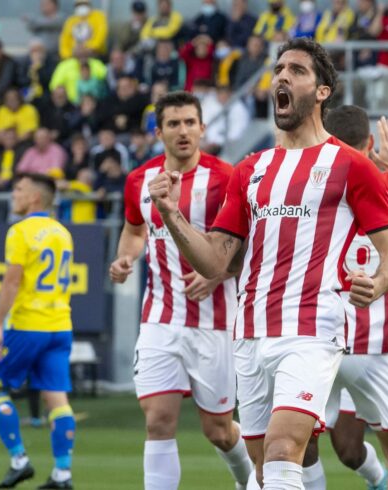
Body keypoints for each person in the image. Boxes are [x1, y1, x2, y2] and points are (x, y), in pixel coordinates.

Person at [147, 38, 388, 488]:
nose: (282, 76)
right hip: (248, 334)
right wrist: (172, 216)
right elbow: (214, 261)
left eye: (297, 71)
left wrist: (378, 283)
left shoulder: (350, 165)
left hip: (312, 327)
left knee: (287, 450)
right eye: (278, 69)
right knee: (264, 468)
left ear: (322, 91)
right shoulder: (251, 169)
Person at [108, 91, 253, 489]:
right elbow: (136, 229)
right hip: (159, 317)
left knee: (219, 431)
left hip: (215, 322)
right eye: (174, 123)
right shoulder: (140, 179)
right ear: (159, 132)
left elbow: (246, 243)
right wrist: (125, 258)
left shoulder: (227, 178)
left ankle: (249, 482)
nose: (183, 130)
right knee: (158, 421)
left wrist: (217, 272)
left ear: (203, 128)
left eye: (190, 122)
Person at [322, 106, 388, 490]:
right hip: (375, 345)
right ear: (370, 143)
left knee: (294, 447)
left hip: (316, 335)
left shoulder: (307, 190)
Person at [0, 173, 76, 489]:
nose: (13, 194)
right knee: (57, 399)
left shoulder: (20, 231)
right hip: (60, 326)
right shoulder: (63, 233)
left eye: (19, 189)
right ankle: (62, 474)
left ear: (35, 198)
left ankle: (19, 460)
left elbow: (12, 281)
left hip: (26, 325)